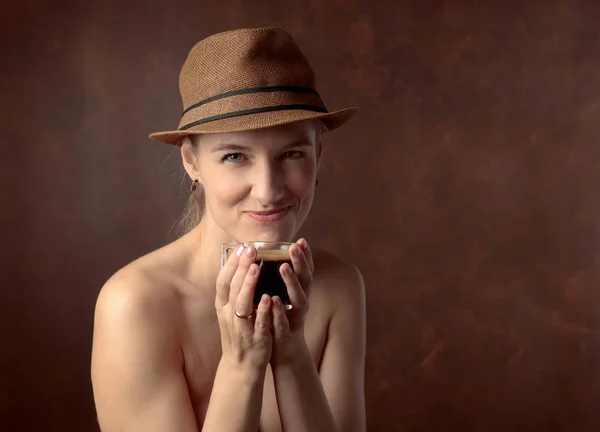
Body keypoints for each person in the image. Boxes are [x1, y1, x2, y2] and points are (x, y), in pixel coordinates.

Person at [90, 26, 366, 432]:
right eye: (235, 156)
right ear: (192, 162)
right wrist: (241, 364)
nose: (268, 190)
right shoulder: (134, 305)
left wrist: (290, 355)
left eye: (291, 153)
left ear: (318, 155)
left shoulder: (339, 286)